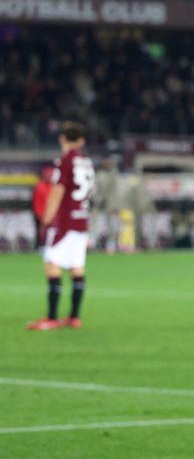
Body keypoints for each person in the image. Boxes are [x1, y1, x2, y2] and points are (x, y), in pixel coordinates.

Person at [27, 122, 93, 330]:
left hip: (64, 222)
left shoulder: (65, 161)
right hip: (81, 219)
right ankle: (74, 317)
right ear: (81, 140)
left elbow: (58, 191)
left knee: (52, 264)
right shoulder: (87, 162)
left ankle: (52, 317)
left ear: (62, 139)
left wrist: (46, 219)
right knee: (77, 266)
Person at [31, 165, 53, 248]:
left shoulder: (54, 186)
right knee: (40, 232)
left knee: (51, 233)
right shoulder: (39, 186)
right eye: (48, 174)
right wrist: (40, 216)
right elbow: (37, 203)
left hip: (51, 215)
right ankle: (38, 247)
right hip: (41, 215)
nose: (49, 176)